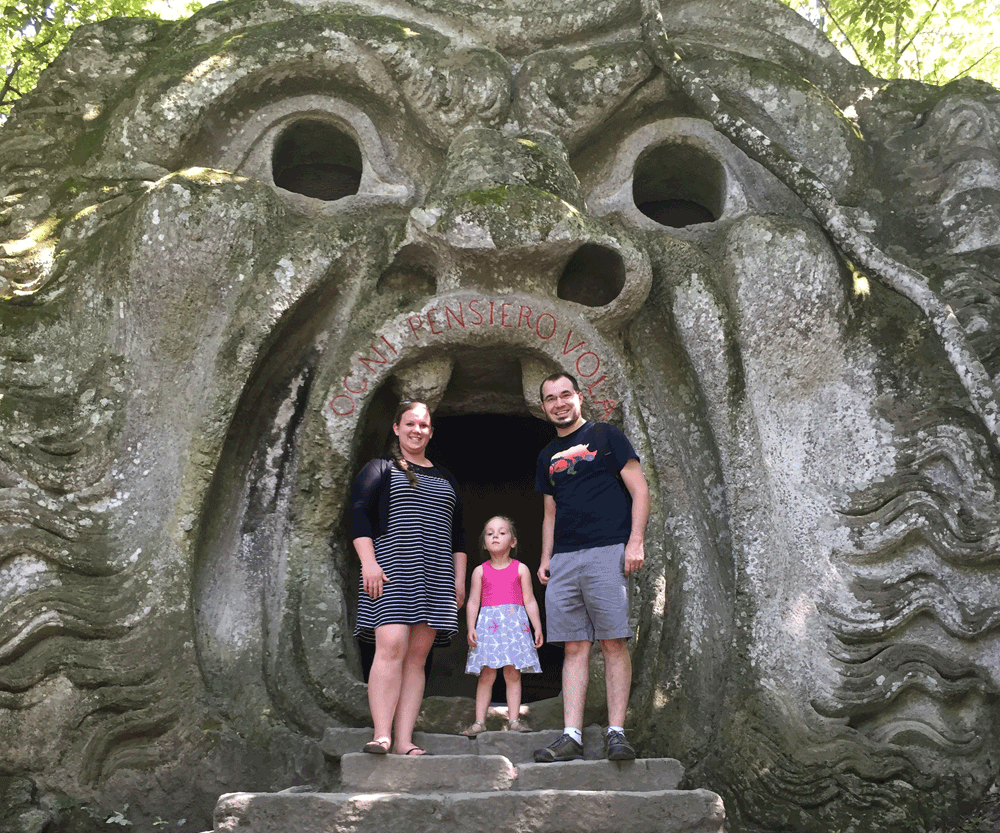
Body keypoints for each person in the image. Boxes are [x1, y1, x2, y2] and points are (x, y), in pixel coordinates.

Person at [532, 372, 650, 762]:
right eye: (551, 398)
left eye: (565, 395)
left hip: (607, 550)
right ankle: (571, 736)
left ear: (579, 398)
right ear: (544, 406)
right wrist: (546, 557)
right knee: (574, 647)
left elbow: (640, 489)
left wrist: (635, 541)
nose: (559, 403)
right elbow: (549, 513)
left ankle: (617, 732)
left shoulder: (606, 436)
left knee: (613, 641)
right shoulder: (547, 455)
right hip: (565, 558)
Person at [348, 400, 467, 756]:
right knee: (391, 647)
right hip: (390, 570)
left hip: (437, 577)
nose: (418, 430)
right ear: (397, 428)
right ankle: (381, 735)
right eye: (410, 424)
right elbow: (358, 517)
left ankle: (403, 741)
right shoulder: (380, 468)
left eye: (424, 425)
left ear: (431, 431)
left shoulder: (446, 477)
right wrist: (369, 564)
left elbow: (458, 536)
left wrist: (458, 581)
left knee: (417, 658)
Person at [461, 515, 544, 737]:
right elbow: (473, 602)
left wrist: (537, 627)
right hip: (489, 628)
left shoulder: (521, 569)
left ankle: (514, 720)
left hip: (514, 627)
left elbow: (529, 600)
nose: (495, 536)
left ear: (513, 541)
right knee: (486, 674)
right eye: (489, 533)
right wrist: (470, 627)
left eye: (501, 532)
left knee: (513, 673)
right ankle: (479, 722)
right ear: (484, 544)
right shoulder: (479, 571)